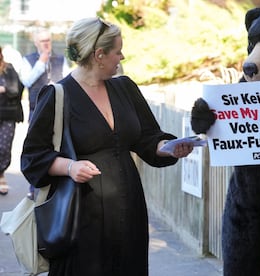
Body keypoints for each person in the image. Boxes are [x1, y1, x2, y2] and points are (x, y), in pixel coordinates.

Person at [20, 17, 194, 275]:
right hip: (80, 215)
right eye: (117, 51)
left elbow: (147, 137)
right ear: (99, 54)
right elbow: (32, 157)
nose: (122, 57)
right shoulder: (58, 94)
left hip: (129, 208)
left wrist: (167, 146)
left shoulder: (125, 88)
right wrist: (70, 167)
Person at [20, 27, 71, 199]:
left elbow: (68, 79)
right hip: (37, 108)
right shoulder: (28, 60)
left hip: (61, 107)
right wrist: (41, 63)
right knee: (37, 146)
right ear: (35, 43)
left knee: (60, 145)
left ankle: (55, 187)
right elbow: (26, 80)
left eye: (48, 40)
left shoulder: (61, 59)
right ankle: (35, 187)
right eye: (42, 41)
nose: (46, 44)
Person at [0, 46, 24, 195]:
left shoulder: (8, 68)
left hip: (7, 114)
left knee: (4, 147)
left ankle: (1, 173)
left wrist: (3, 89)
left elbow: (16, 89)